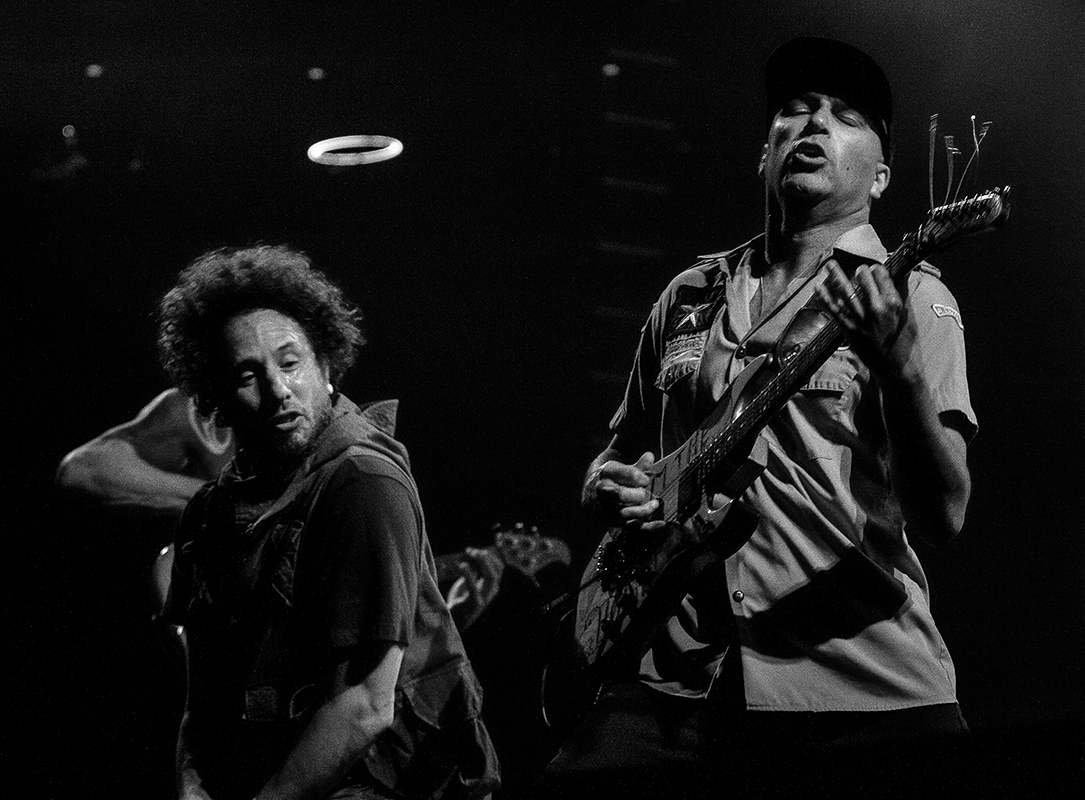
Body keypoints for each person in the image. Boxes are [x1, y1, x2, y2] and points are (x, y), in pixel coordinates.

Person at [538, 37, 976, 798]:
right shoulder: (688, 295)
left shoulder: (911, 296)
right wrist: (608, 486)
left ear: (879, 176)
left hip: (850, 677)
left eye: (845, 117)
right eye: (795, 110)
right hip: (668, 671)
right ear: (764, 153)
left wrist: (900, 367)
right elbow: (619, 453)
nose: (814, 124)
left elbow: (943, 515)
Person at [154, 244, 500, 800]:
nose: (277, 390)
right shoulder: (207, 516)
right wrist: (192, 789)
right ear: (215, 396)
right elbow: (202, 707)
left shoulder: (363, 481)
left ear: (326, 366)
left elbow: (364, 706)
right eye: (247, 375)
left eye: (290, 363)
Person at [56, 389, 505, 631]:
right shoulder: (200, 416)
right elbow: (84, 471)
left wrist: (440, 619)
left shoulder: (340, 449)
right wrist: (236, 503)